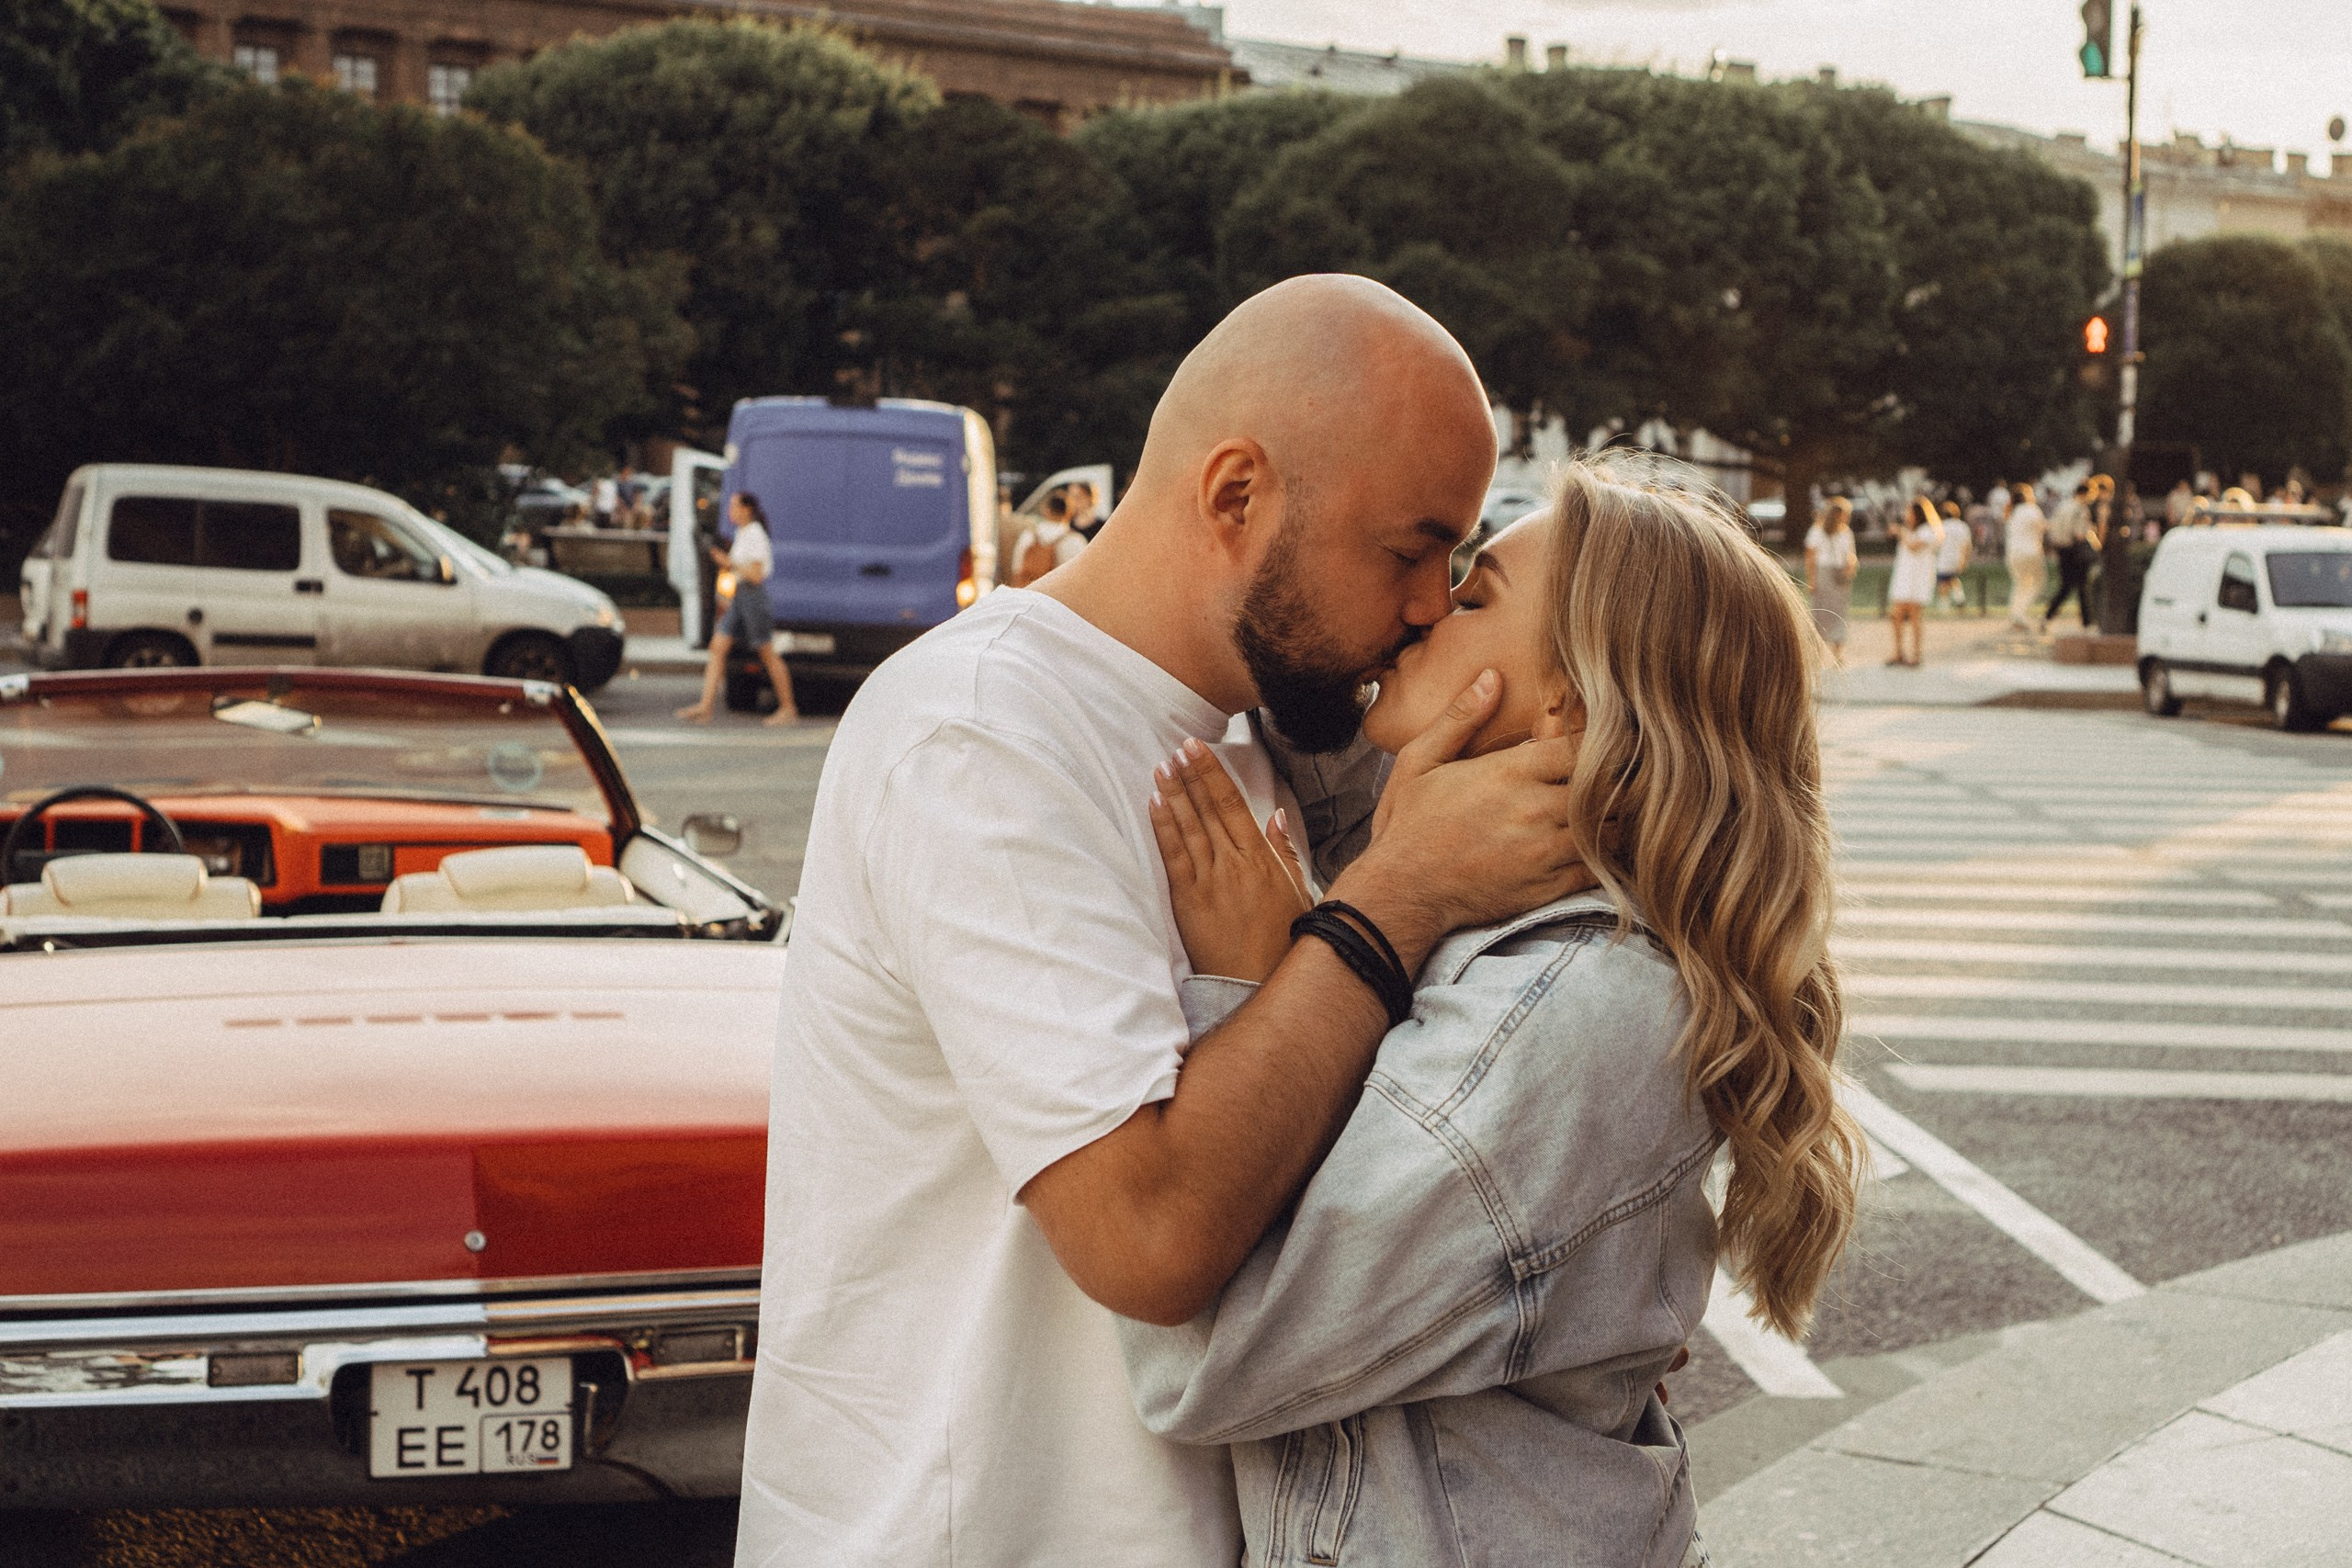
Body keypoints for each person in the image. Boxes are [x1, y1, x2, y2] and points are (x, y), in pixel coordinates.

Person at [736, 276, 1592, 1568]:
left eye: (1453, 564)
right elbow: (1149, 1234)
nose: (1427, 602)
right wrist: (1395, 897)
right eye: (1407, 548)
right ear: (1236, 493)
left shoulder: (1259, 732)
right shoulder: (983, 730)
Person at [1120, 458, 1862, 1568]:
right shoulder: (1515, 936)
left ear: (1564, 701)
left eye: (1471, 599)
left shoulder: (1567, 1018)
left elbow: (1213, 1358)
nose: (1421, 614)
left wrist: (1259, 985)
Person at [675, 491, 798, 726]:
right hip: (741, 598)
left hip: (754, 599)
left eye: (734, 506)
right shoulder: (742, 533)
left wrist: (728, 562)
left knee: (767, 652)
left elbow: (756, 575)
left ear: (747, 509)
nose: (729, 510)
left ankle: (788, 708)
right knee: (718, 647)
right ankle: (705, 706)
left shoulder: (755, 534)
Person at [2042, 475, 2106, 632]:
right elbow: (2079, 534)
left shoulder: (2063, 506)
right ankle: (2088, 623)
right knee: (2081, 587)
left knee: (2067, 586)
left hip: (2062, 550)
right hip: (2076, 551)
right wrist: (2093, 537)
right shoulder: (2080, 509)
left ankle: (2048, 617)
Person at [1885, 495, 1941, 665]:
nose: (1905, 514)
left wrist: (1901, 532)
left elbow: (1914, 547)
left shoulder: (1928, 531)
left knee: (1915, 616)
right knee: (1896, 615)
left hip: (1918, 579)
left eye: (1908, 511)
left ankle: (1916, 654)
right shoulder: (1910, 531)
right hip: (1904, 577)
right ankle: (1898, 652)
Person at [1804, 494, 1859, 663]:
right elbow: (1810, 556)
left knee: (1839, 611)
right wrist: (1812, 580)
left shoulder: (1846, 533)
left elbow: (1851, 553)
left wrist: (1851, 564)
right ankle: (1817, 652)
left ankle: (1837, 652)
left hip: (1840, 573)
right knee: (1821, 611)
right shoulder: (1818, 531)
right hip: (1824, 572)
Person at [1010, 488, 1085, 587]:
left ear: (1045, 510)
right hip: (1060, 598)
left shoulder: (1028, 536)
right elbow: (1081, 578)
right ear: (1070, 512)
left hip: (1031, 594)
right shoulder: (1076, 541)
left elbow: (1016, 570)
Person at [2005, 481, 2047, 630]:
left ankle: (2016, 614)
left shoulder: (2012, 513)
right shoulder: (2032, 510)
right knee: (2038, 582)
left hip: (2013, 553)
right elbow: (2042, 528)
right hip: (2031, 551)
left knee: (2020, 584)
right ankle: (2020, 613)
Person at [1934, 498, 1972, 609]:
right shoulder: (1962, 526)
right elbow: (1966, 545)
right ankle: (1960, 599)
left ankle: (1944, 606)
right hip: (1957, 558)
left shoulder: (1940, 526)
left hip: (1944, 559)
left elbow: (1936, 544)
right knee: (1953, 579)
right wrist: (1964, 559)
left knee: (1943, 582)